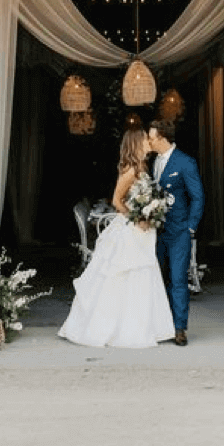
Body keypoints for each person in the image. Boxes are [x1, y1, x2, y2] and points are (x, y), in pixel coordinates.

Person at [58, 126, 175, 348]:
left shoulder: (142, 166)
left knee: (144, 275)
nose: (149, 143)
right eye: (145, 140)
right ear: (135, 143)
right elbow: (116, 201)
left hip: (144, 230)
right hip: (130, 230)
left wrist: (152, 210)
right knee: (127, 275)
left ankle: (146, 325)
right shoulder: (130, 170)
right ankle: (119, 328)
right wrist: (137, 216)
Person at [148, 117, 204, 346]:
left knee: (178, 279)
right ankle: (160, 325)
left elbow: (197, 197)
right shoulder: (155, 162)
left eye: (151, 138)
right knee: (156, 277)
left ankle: (180, 328)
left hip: (179, 231)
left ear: (162, 138)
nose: (148, 142)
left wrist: (190, 227)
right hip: (156, 231)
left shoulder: (185, 162)